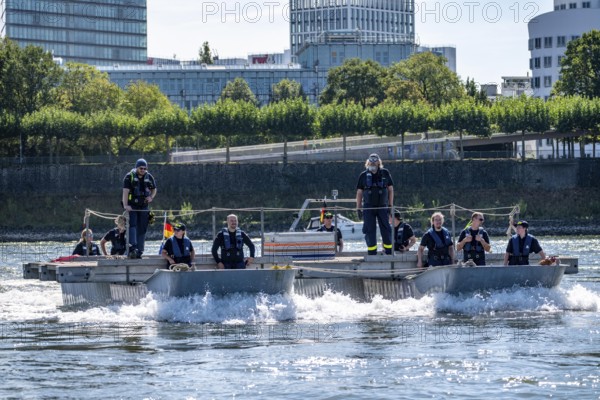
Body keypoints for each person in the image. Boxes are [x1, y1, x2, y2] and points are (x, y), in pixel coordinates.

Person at [356, 153, 394, 255]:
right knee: (369, 229)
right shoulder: (363, 175)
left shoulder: (385, 173)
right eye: (371, 160)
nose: (373, 162)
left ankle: (389, 251)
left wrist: (390, 205)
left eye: (375, 160)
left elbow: (390, 189)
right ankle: (372, 251)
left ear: (379, 162)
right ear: (368, 162)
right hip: (368, 207)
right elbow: (359, 192)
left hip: (382, 206)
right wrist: (358, 208)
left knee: (386, 228)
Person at [122, 158, 157, 259]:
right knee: (132, 226)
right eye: (141, 168)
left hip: (144, 206)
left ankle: (140, 250)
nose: (143, 170)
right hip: (132, 206)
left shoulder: (149, 177)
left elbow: (154, 189)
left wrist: (151, 197)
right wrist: (125, 205)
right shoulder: (129, 177)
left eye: (144, 168)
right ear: (137, 167)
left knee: (142, 228)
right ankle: (132, 248)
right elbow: (125, 192)